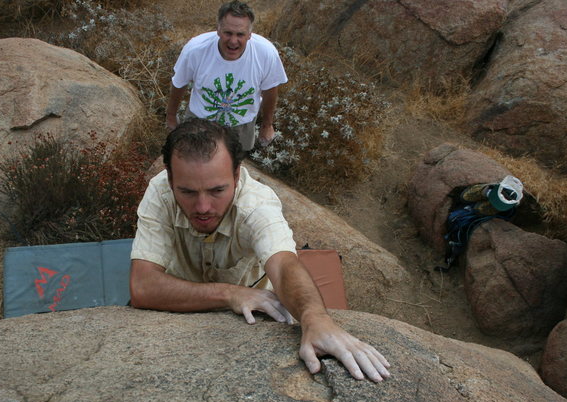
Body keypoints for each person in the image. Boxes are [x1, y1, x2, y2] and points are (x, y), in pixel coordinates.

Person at [130, 118, 391, 382]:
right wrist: (230, 294)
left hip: (255, 310)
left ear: (236, 174)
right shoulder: (159, 191)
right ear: (170, 177)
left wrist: (316, 319)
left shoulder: (257, 204)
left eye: (217, 190)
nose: (203, 207)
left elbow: (283, 264)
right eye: (186, 191)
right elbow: (143, 286)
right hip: (185, 306)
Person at [165, 1, 287, 152]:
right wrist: (171, 115)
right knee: (193, 163)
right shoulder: (195, 50)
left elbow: (270, 91)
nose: (233, 41)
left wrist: (267, 125)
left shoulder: (266, 53)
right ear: (218, 30)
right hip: (200, 119)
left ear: (250, 34)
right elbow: (179, 83)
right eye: (228, 33)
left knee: (232, 168)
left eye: (240, 34)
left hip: (241, 124)